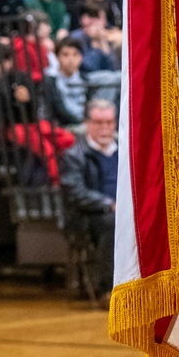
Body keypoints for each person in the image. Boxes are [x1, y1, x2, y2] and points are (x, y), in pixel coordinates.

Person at [58, 98, 118, 300]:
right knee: (114, 222)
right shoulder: (74, 155)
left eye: (109, 123)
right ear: (87, 124)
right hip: (87, 216)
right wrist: (109, 204)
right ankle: (108, 288)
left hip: (122, 211)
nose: (105, 128)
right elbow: (75, 192)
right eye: (99, 123)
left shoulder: (124, 151)